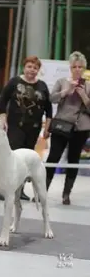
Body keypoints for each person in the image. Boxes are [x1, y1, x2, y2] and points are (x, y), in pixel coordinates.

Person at [0, 56, 52, 201]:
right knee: (13, 157)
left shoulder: (42, 86)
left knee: (25, 161)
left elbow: (48, 108)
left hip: (34, 128)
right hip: (16, 126)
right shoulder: (15, 82)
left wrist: (47, 126)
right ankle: (5, 190)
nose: (32, 70)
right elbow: (3, 100)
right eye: (29, 66)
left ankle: (19, 190)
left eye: (35, 68)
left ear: (38, 70)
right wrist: (2, 117)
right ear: (24, 67)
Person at [46, 51, 90, 205]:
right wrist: (66, 92)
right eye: (74, 66)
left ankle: (66, 194)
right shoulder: (62, 81)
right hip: (61, 125)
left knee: (73, 159)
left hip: (81, 128)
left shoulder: (89, 85)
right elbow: (51, 98)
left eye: (80, 67)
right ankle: (43, 191)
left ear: (84, 68)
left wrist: (84, 96)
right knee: (53, 157)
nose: (77, 69)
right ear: (70, 68)